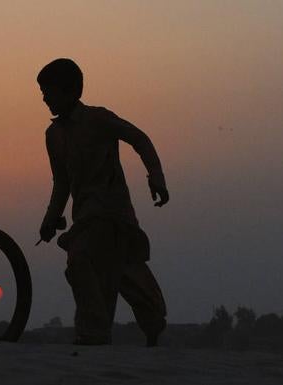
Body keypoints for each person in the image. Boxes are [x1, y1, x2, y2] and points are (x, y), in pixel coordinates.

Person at [37, 58, 168, 346]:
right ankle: (96, 333)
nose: (44, 98)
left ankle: (120, 330)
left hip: (113, 216)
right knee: (98, 268)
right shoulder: (54, 136)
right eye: (42, 92)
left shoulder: (98, 119)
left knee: (99, 265)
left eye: (50, 91)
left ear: (71, 91)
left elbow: (139, 138)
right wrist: (50, 220)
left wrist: (156, 175)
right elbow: (62, 183)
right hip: (86, 218)